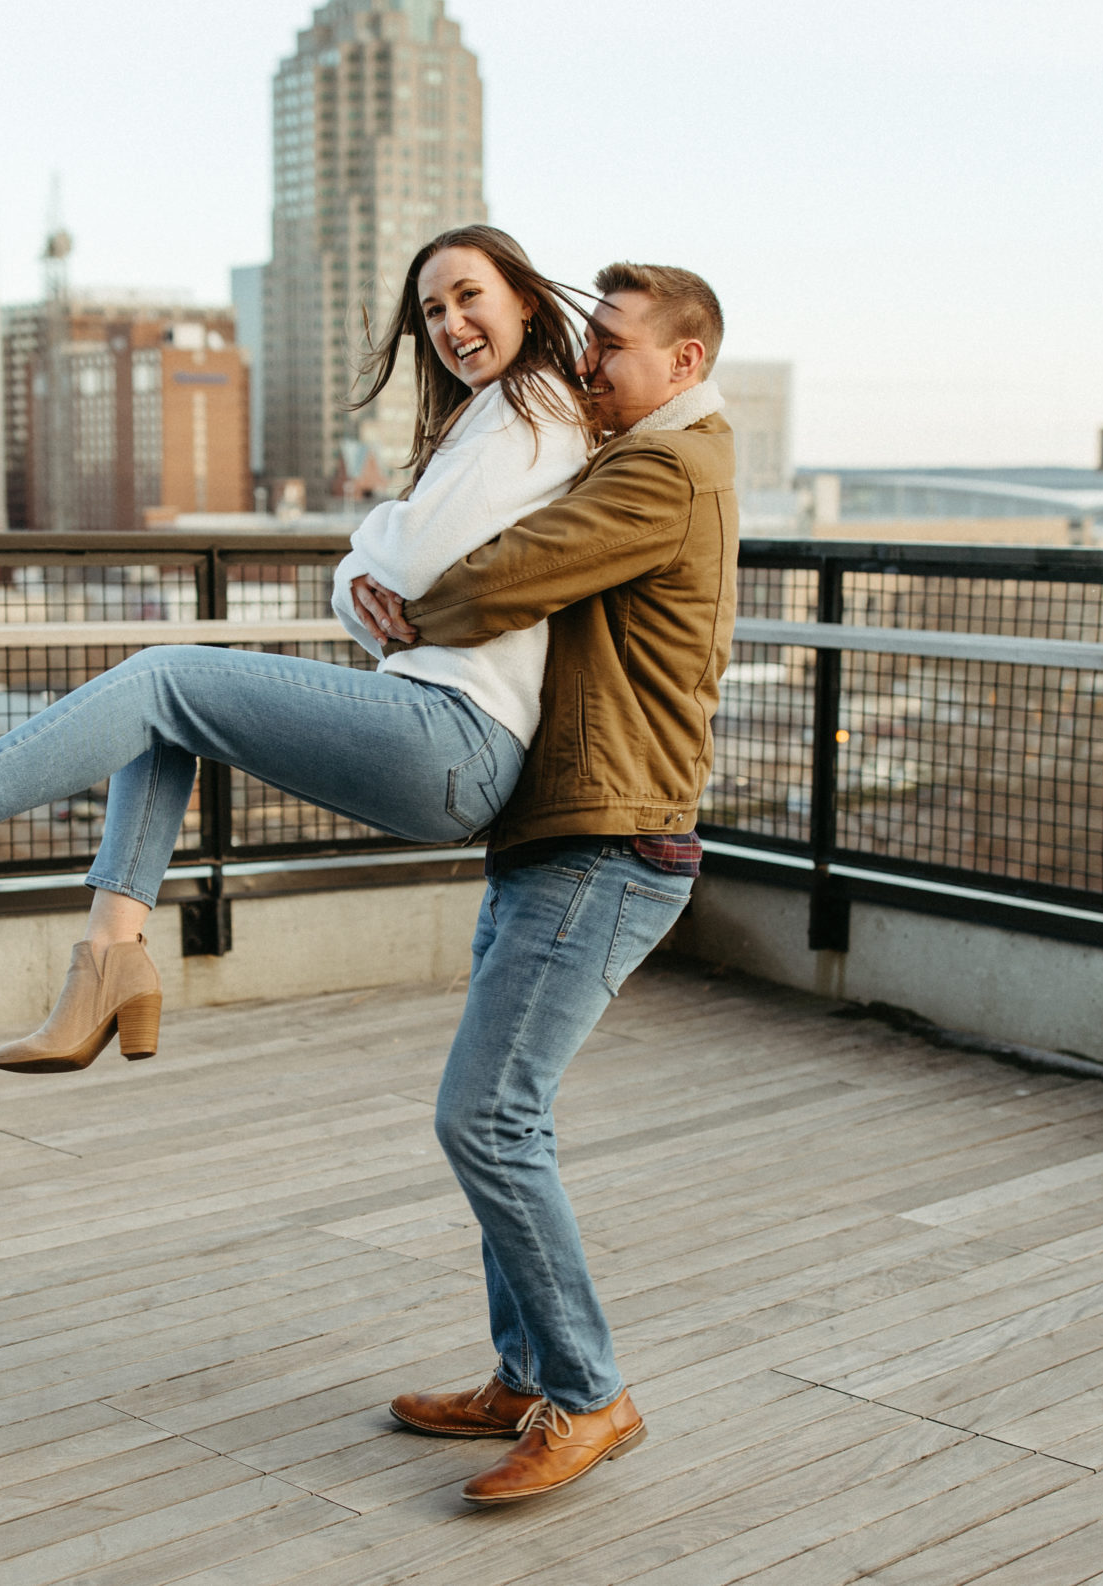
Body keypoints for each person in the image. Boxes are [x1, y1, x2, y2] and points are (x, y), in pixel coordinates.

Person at [0, 226, 595, 1071]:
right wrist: (360, 574)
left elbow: (405, 559)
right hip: (444, 732)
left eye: (469, 296)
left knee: (163, 677)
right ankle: (109, 961)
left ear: (524, 297)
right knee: (162, 720)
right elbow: (372, 589)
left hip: (458, 731)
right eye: (433, 310)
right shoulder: (489, 418)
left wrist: (371, 558)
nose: (451, 325)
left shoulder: (535, 408)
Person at [350, 263, 737, 1505]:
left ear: (681, 362)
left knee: (486, 1117)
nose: (586, 366)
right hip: (564, 833)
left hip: (609, 844)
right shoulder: (640, 450)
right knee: (510, 1113)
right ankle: (524, 1373)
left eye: (610, 349)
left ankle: (586, 1393)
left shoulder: (665, 470)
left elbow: (512, 570)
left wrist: (403, 613)